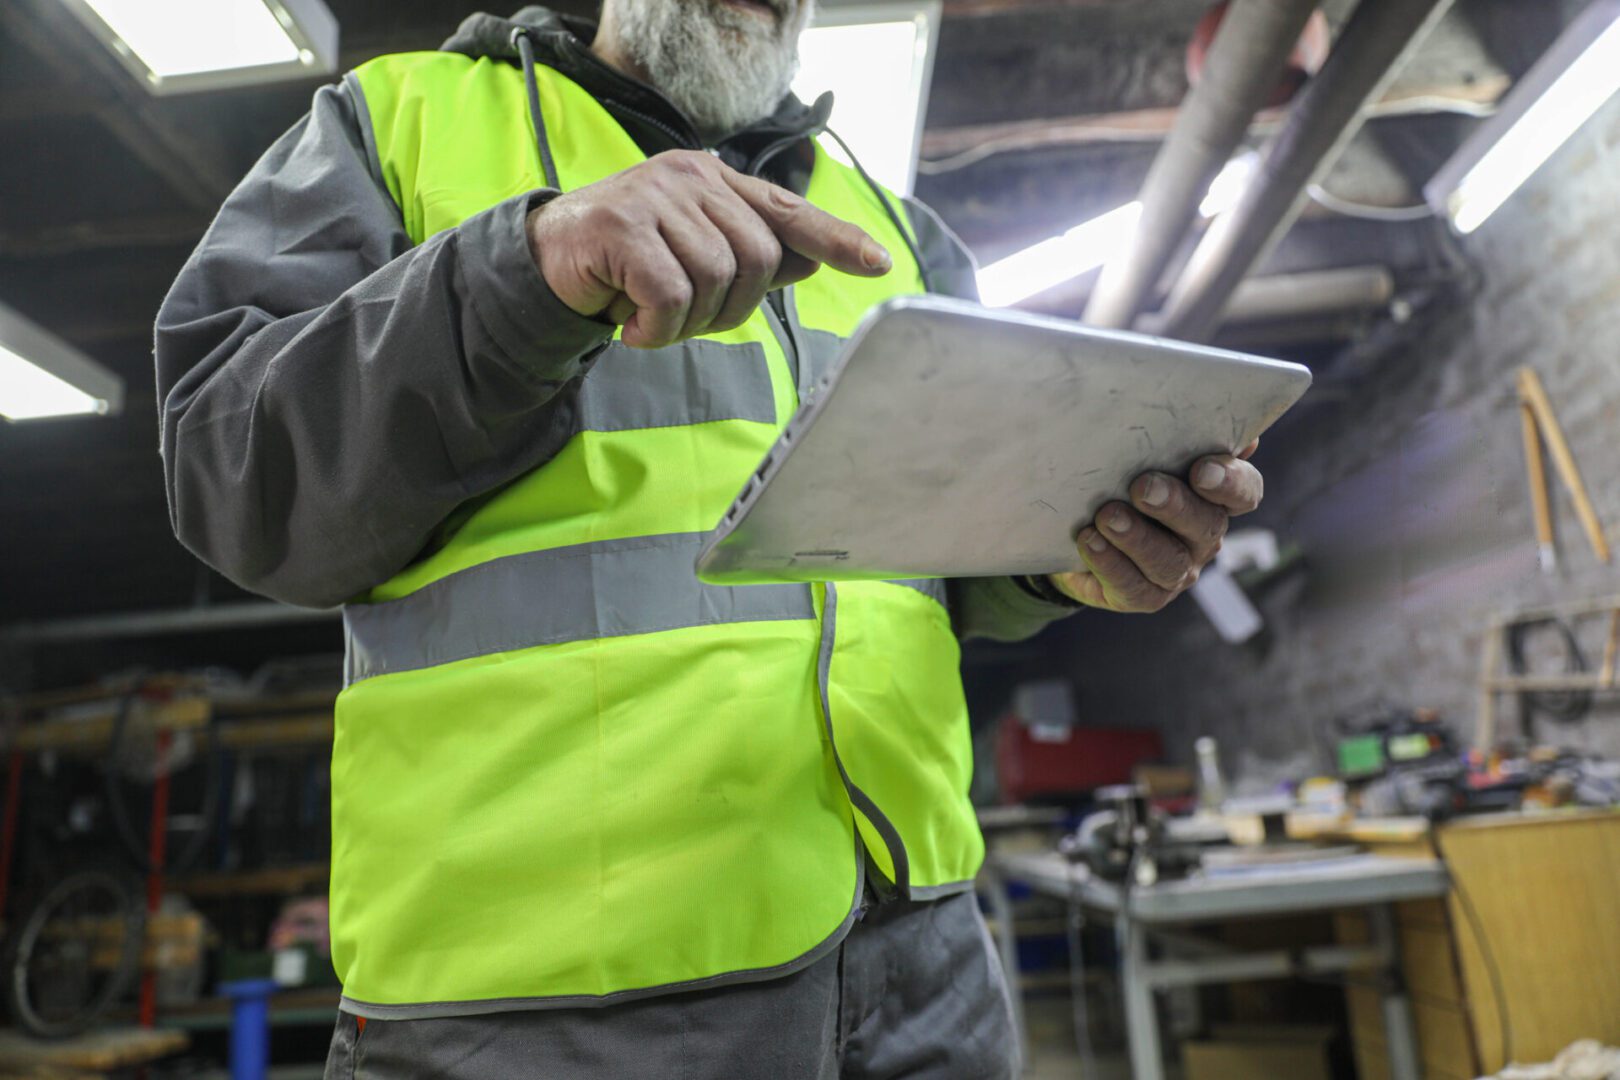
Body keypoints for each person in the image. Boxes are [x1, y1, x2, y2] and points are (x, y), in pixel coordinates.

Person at [154, 2, 1263, 1076]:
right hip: (545, 1006)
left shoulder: (898, 227)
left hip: (927, 966)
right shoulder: (395, 123)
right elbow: (228, 476)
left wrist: (1068, 557)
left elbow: (941, 578)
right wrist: (524, 270)